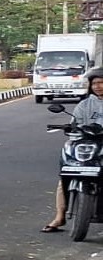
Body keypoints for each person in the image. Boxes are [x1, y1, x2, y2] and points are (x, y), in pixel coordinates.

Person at [42, 68, 103, 232]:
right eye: (95, 83)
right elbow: (75, 123)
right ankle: (59, 216)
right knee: (65, 176)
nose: (98, 86)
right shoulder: (84, 104)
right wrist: (71, 127)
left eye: (101, 82)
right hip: (86, 144)